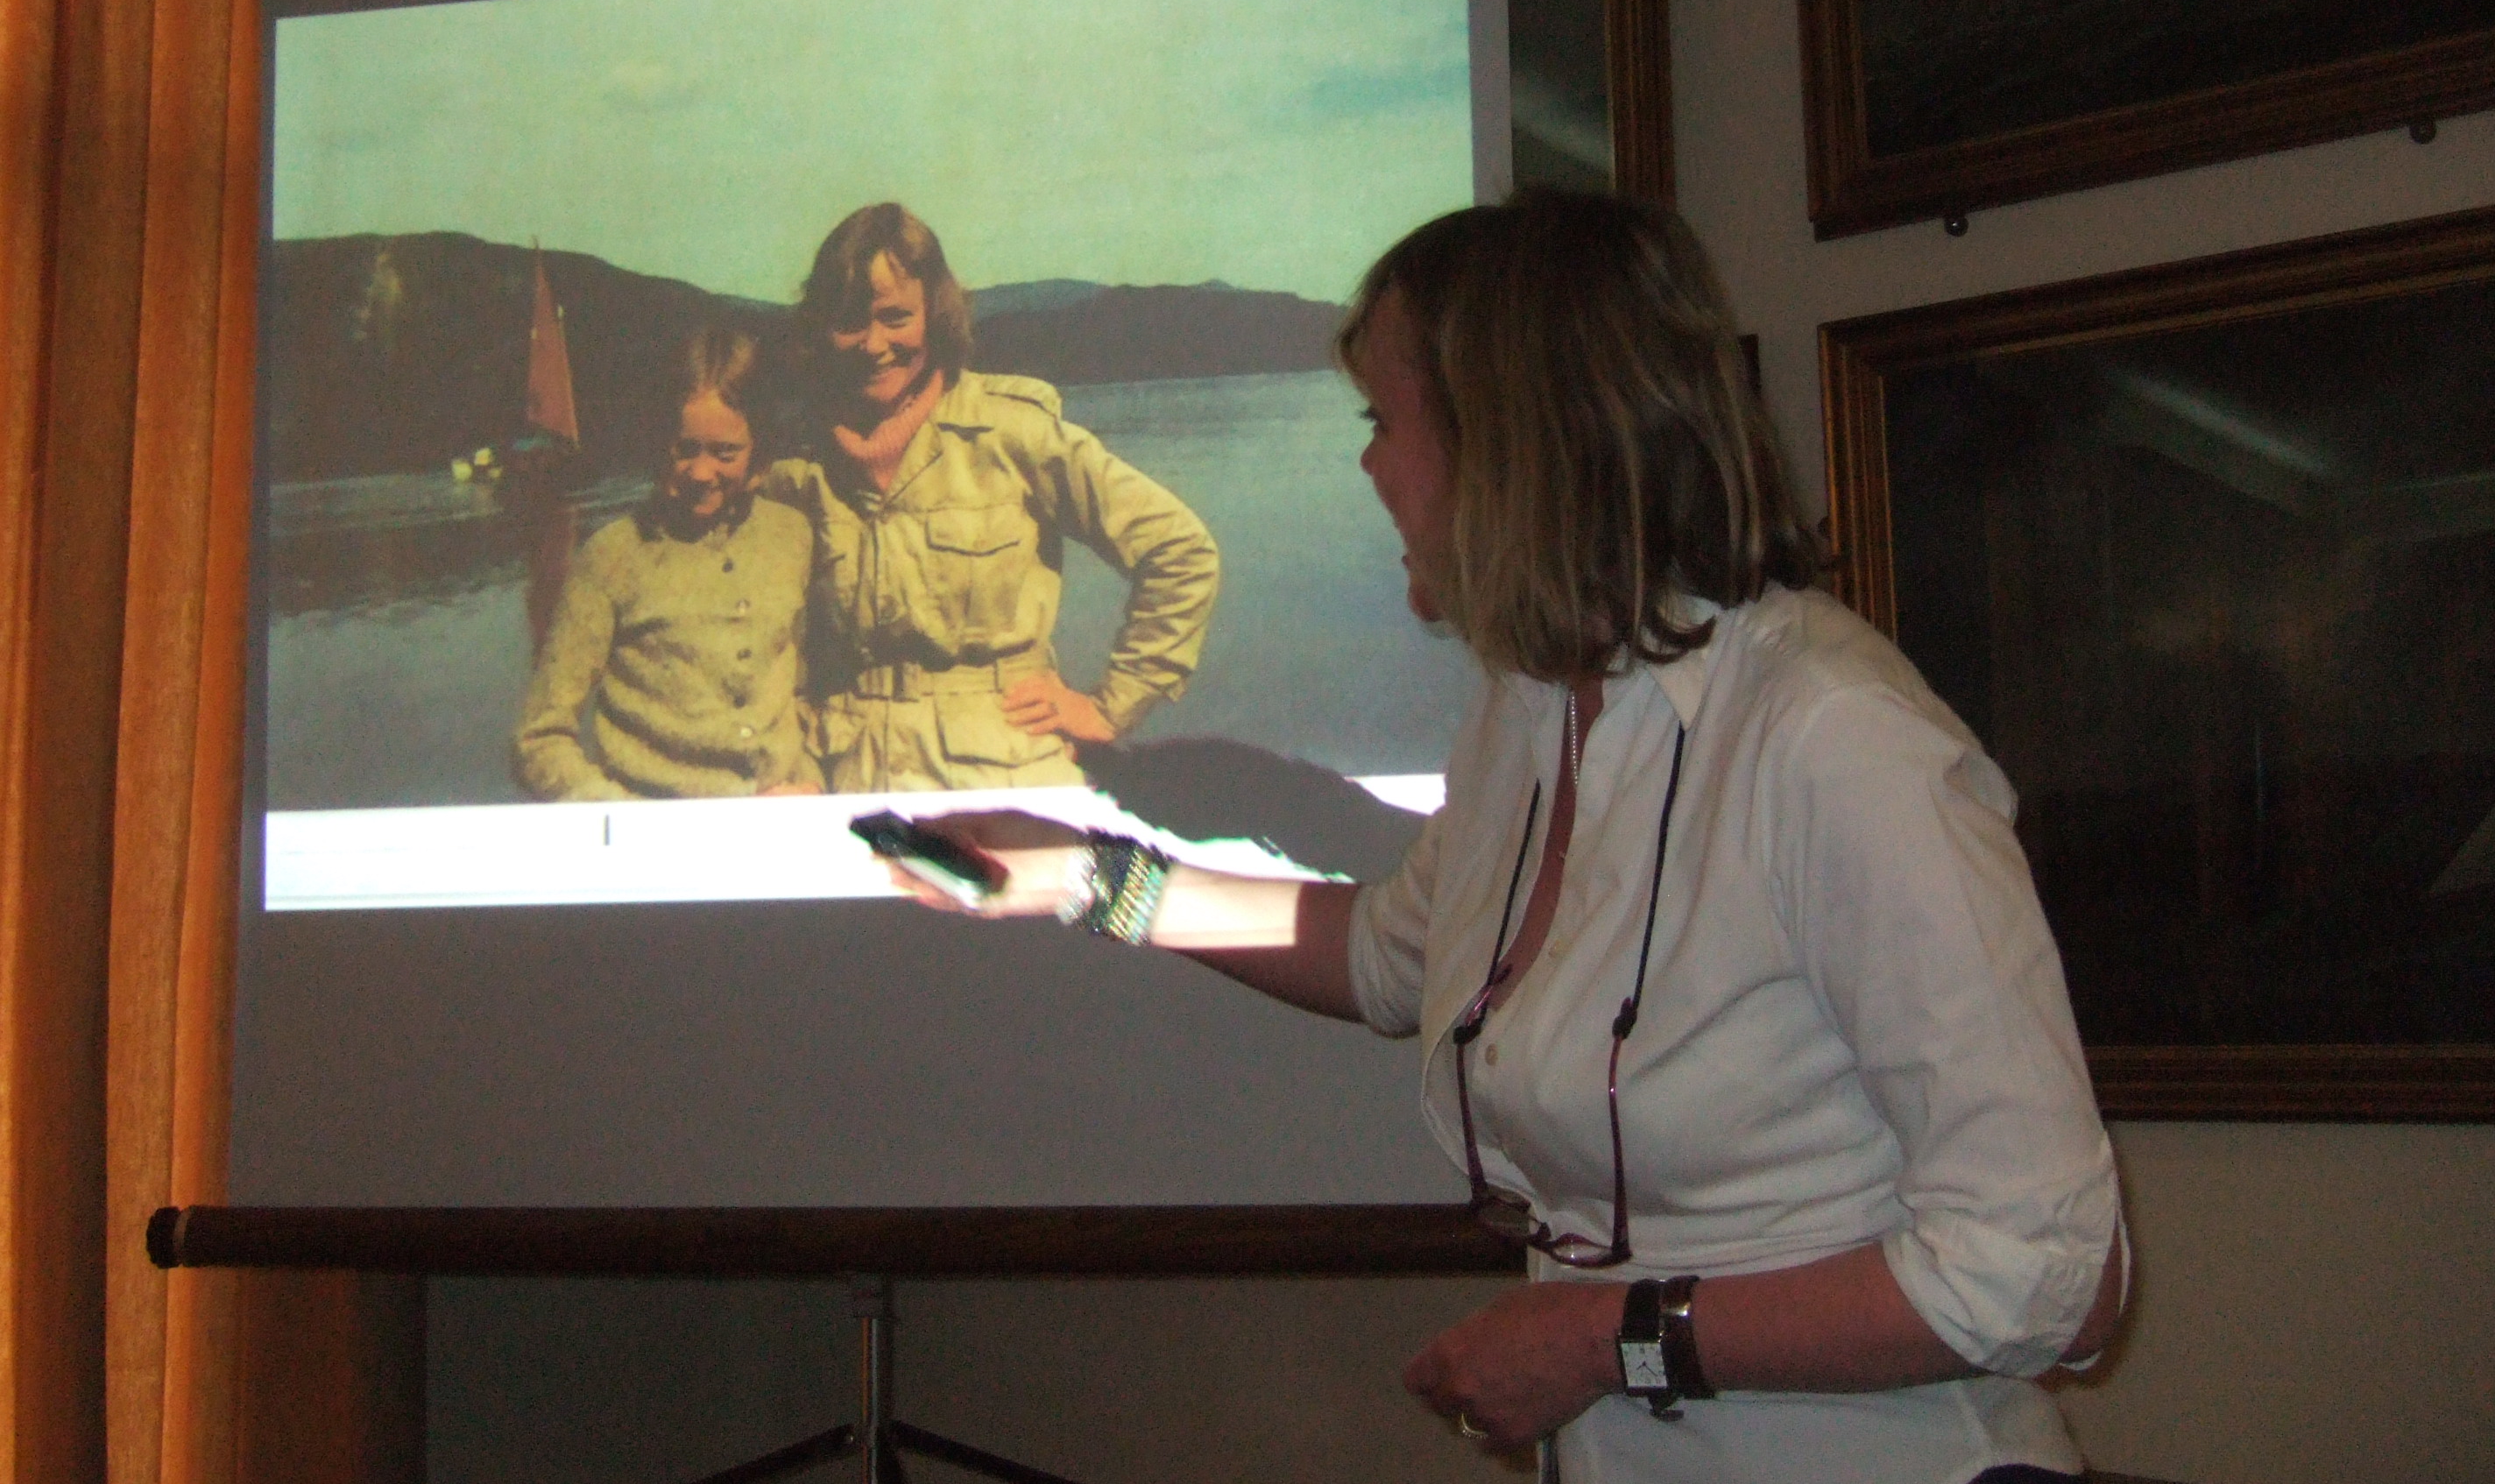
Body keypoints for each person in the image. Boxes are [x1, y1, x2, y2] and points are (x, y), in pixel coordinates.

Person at [894, 192, 2125, 1484]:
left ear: (1516, 438)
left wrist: (1610, 1342)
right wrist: (1084, 881)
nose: (1368, 466)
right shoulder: (1531, 714)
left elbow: (2047, 1276)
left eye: (1385, 420)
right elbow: (1385, 954)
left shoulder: (1833, 737)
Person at [763, 201, 1219, 793]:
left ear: (934, 314)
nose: (873, 344)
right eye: (850, 320)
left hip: (1006, 775)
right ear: (821, 327)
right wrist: (789, 764)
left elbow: (1181, 553)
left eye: (896, 316)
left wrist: (1109, 708)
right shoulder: (792, 468)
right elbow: (764, 644)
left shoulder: (1014, 433)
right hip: (842, 781)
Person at [512, 326, 819, 801]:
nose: (701, 473)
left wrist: (809, 781)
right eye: (684, 449)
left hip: (781, 826)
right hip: (656, 839)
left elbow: (804, 692)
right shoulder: (610, 556)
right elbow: (539, 739)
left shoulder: (793, 536)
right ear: (658, 440)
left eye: (725, 453)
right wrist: (624, 817)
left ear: (760, 450)